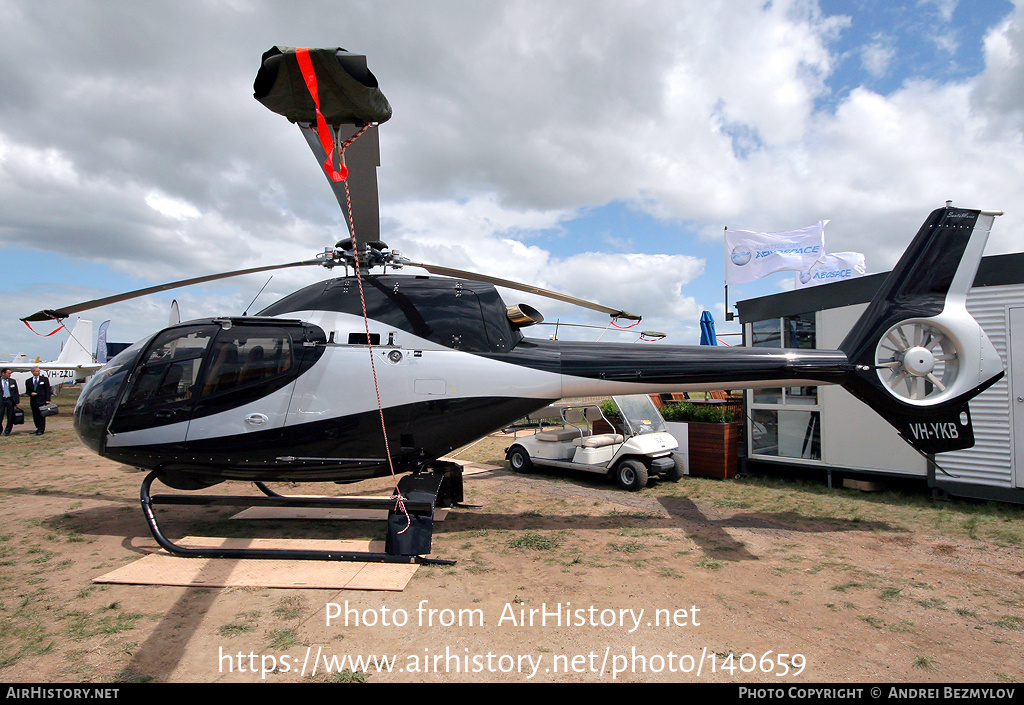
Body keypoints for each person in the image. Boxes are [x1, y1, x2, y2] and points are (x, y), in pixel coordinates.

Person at [26, 367, 52, 436]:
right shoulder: (28, 381)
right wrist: (30, 393)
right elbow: (27, 391)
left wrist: (48, 399)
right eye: (36, 371)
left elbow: (47, 390)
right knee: (35, 415)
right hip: (33, 401)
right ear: (33, 372)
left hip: (42, 400)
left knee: (41, 415)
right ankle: (37, 427)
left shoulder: (44, 379)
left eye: (39, 371)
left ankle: (41, 429)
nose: (38, 372)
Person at [0, 368, 20, 436]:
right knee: (0, 416)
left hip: (10, 400)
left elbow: (16, 392)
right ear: (3, 373)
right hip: (1, 400)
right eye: (8, 373)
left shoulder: (12, 381)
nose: (10, 375)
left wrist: (17, 401)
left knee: (10, 416)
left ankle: (8, 430)